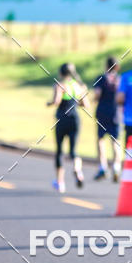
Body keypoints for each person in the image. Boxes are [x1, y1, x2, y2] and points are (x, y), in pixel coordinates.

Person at [47, 63, 89, 193]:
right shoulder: (79, 86)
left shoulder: (60, 85)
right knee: (73, 151)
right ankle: (77, 170)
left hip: (62, 119)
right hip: (74, 119)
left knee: (60, 150)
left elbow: (57, 101)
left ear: (61, 73)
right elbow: (86, 104)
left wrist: (49, 103)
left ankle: (60, 183)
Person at [91, 56, 122, 182]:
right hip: (116, 113)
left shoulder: (102, 78)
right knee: (116, 141)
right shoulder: (120, 79)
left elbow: (97, 94)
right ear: (117, 67)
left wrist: (94, 99)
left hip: (102, 112)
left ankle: (102, 167)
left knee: (100, 140)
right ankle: (116, 167)